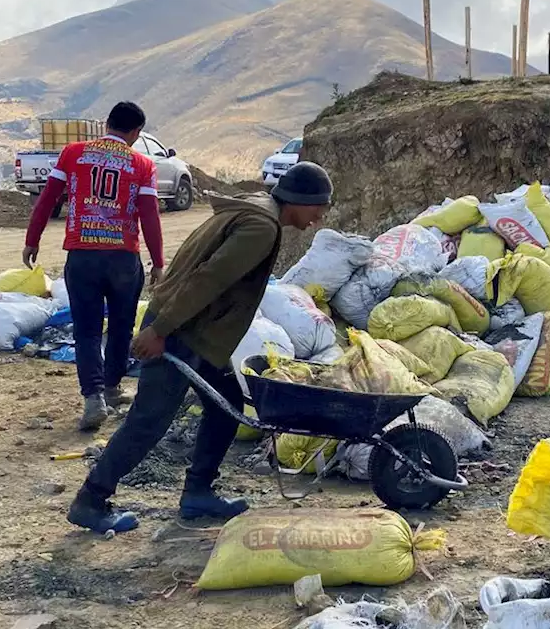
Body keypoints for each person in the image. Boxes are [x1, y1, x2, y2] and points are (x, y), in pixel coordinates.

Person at [67, 162, 333, 533]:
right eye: (319, 206)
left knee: (226, 406)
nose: (319, 217)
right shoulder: (260, 226)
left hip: (196, 332)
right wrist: (160, 329)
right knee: (148, 421)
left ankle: (198, 493)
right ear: (300, 200)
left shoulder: (256, 209)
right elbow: (209, 280)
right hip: (181, 330)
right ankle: (91, 500)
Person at [22, 102, 165, 432]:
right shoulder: (142, 163)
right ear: (136, 133)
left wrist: (33, 239)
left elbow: (48, 199)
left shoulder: (73, 153)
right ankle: (113, 387)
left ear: (106, 124)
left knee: (86, 330)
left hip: (82, 256)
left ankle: (93, 400)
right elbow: (149, 216)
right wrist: (158, 261)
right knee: (120, 325)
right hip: (123, 258)